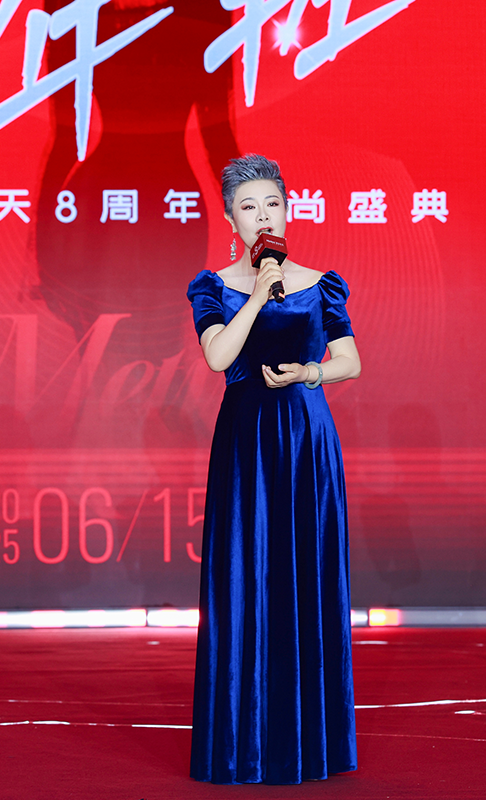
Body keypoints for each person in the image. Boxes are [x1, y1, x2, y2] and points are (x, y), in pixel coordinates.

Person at [186, 154, 361, 784]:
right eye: (249, 207)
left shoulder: (322, 285)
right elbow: (218, 358)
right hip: (247, 443)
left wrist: (310, 372)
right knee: (245, 575)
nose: (263, 216)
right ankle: (242, 742)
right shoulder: (212, 287)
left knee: (307, 576)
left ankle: (311, 744)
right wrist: (258, 295)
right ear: (231, 219)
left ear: (288, 210)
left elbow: (349, 361)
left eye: (273, 205)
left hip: (307, 442)